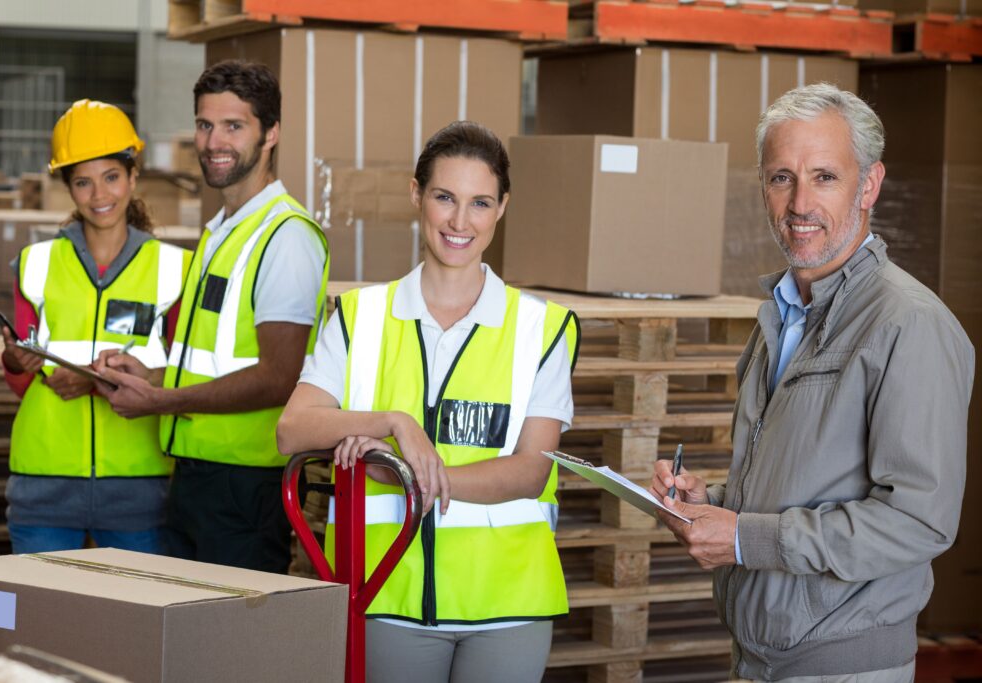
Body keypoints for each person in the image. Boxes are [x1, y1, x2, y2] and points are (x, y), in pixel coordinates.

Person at [650, 83, 975, 682]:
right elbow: (798, 481)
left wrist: (746, 540)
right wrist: (713, 507)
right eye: (781, 178)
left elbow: (920, 521)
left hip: (841, 666)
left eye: (824, 176)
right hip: (759, 656)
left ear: (869, 185)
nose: (799, 202)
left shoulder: (909, 324)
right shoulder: (783, 312)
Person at [276, 121, 580, 683]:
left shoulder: (543, 328)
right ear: (417, 195)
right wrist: (396, 423)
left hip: (509, 600)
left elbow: (531, 472)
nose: (460, 222)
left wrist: (401, 473)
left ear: (501, 208)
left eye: (480, 203)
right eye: (445, 197)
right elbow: (293, 430)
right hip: (385, 589)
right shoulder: (359, 318)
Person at [95, 60, 329, 574]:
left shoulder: (285, 236)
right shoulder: (223, 230)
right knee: (189, 641)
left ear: (271, 134)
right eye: (204, 125)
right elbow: (218, 359)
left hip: (245, 486)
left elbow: (278, 377)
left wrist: (162, 401)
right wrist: (151, 377)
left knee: (229, 648)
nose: (213, 141)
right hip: (199, 477)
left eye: (233, 126)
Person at [0, 99, 192, 554]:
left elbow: (186, 375)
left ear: (132, 176)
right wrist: (15, 362)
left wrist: (110, 382)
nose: (99, 195)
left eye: (111, 177)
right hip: (42, 480)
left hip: (139, 485)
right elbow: (21, 381)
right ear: (68, 186)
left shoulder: (175, 269)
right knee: (40, 620)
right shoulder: (35, 264)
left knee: (138, 621)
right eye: (82, 182)